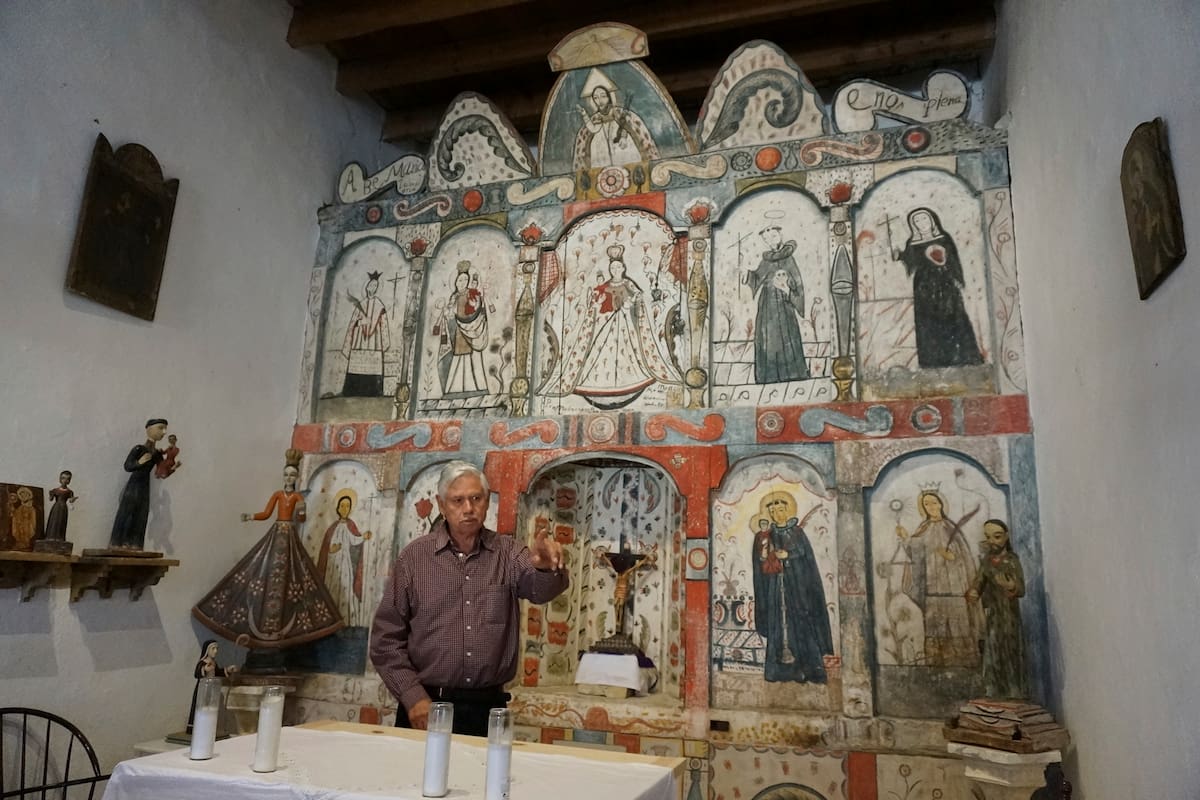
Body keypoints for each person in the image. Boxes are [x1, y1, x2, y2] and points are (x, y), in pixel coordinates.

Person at [370, 461, 568, 736]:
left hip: (487, 710)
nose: (468, 508)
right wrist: (412, 696)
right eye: (458, 500)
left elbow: (541, 591)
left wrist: (544, 568)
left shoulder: (509, 553)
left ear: (487, 502)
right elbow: (385, 641)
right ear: (441, 504)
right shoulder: (414, 559)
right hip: (425, 706)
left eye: (476, 498)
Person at [192, 449, 343, 650]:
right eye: (286, 474)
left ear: (297, 477)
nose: (289, 478)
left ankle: (284, 630)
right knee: (260, 568)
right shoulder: (278, 495)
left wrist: (302, 512)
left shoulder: (297, 497)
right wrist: (251, 517)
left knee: (294, 575)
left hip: (289, 536)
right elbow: (267, 513)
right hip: (277, 533)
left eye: (292, 475)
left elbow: (301, 519)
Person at [545, 245, 680, 409]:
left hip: (625, 327)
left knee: (628, 356)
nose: (615, 270)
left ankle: (629, 382)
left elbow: (638, 300)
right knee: (600, 354)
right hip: (607, 325)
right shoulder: (603, 287)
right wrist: (597, 304)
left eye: (618, 267)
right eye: (612, 267)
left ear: (623, 268)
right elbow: (595, 307)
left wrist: (631, 304)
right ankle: (599, 384)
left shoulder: (629, 284)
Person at [750, 491, 833, 683]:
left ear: (787, 511)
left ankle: (809, 669)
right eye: (773, 512)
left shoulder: (797, 533)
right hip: (775, 588)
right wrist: (766, 555)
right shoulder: (766, 534)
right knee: (778, 626)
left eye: (780, 510)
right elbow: (760, 559)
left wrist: (789, 556)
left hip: (797, 588)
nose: (777, 514)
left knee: (802, 623)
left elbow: (806, 557)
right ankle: (779, 671)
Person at [896, 489, 984, 666]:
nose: (931, 507)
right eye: (926, 504)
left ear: (941, 504)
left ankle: (963, 662)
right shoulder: (923, 528)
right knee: (935, 626)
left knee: (958, 624)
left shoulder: (950, 528)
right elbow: (915, 553)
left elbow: (963, 556)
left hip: (953, 587)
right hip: (931, 586)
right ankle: (936, 662)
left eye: (934, 502)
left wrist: (951, 556)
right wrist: (906, 539)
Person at [894, 207, 983, 368]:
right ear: (913, 225)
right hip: (923, 286)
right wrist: (900, 255)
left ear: (932, 220)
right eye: (917, 221)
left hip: (945, 283)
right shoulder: (912, 242)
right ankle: (933, 361)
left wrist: (957, 278)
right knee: (928, 321)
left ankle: (963, 357)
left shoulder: (943, 238)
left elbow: (953, 258)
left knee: (953, 316)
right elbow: (911, 261)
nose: (921, 223)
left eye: (924, 219)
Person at [967, 519, 1028, 698]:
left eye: (997, 536)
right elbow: (979, 581)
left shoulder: (1012, 560)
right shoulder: (987, 561)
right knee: (992, 648)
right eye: (988, 537)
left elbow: (1021, 589)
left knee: (1010, 649)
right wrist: (974, 592)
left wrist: (1011, 586)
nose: (992, 541)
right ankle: (992, 689)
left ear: (1006, 537)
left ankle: (1015, 690)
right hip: (993, 613)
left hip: (1009, 614)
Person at [744, 226, 811, 383]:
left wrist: (787, 289)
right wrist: (746, 275)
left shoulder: (789, 258)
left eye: (773, 236)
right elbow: (757, 277)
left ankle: (793, 374)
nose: (770, 240)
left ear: (780, 234)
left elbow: (797, 284)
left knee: (787, 336)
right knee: (767, 337)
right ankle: (768, 376)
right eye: (766, 239)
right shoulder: (766, 260)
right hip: (767, 306)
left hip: (784, 304)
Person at [109, 418, 172, 550]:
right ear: (149, 429)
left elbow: (162, 473)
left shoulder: (156, 453)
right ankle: (119, 541)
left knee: (142, 514)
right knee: (128, 511)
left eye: (165, 428)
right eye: (161, 428)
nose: (164, 432)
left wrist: (172, 466)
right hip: (134, 485)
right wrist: (139, 462)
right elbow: (127, 466)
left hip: (145, 486)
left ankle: (136, 543)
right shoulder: (139, 449)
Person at [572, 80, 658, 171]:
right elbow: (592, 129)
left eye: (603, 96)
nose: (600, 101)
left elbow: (627, 126)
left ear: (609, 97)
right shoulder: (596, 119)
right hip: (601, 156)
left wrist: (623, 137)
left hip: (623, 152)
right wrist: (584, 114)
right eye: (596, 98)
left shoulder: (619, 113)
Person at [317, 491, 372, 628]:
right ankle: (330, 620)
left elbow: (354, 540)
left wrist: (363, 537)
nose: (345, 509)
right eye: (342, 506)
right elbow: (327, 547)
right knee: (332, 586)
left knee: (346, 587)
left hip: (345, 563)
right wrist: (332, 549)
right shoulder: (333, 527)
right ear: (337, 508)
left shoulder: (350, 525)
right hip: (333, 564)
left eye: (347, 506)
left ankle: (345, 620)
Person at [438, 261, 489, 397]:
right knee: (458, 357)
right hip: (459, 331)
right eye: (460, 280)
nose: (463, 283)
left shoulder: (472, 293)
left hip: (471, 329)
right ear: (455, 282)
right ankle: (455, 389)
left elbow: (477, 308)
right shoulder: (454, 297)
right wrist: (445, 311)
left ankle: (477, 387)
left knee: (473, 358)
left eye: (465, 280)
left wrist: (474, 303)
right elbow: (450, 313)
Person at [340, 271, 391, 396]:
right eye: (371, 285)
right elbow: (352, 325)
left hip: (374, 342)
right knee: (356, 366)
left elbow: (384, 325)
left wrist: (384, 340)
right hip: (360, 341)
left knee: (374, 367)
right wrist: (362, 322)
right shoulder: (361, 304)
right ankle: (353, 390)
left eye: (375, 286)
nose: (373, 288)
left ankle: (374, 391)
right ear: (367, 286)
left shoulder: (380, 305)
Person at [44, 471, 77, 542]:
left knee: (61, 522)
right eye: (63, 478)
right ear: (60, 479)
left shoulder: (69, 492)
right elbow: (51, 499)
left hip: (63, 508)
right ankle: (50, 537)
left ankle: (60, 538)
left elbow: (70, 501)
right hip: (56, 508)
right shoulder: (55, 490)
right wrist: (50, 495)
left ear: (69, 481)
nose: (65, 480)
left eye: (67, 479)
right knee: (53, 521)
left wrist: (72, 500)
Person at [10, 486, 38, 551]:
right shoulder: (20, 508)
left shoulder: (31, 508)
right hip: (19, 526)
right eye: (21, 495)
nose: (23, 497)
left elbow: (33, 521)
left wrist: (28, 523)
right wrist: (13, 512)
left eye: (25, 495)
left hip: (27, 526)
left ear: (28, 495)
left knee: (26, 535)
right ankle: (19, 543)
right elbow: (15, 515)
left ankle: (26, 544)